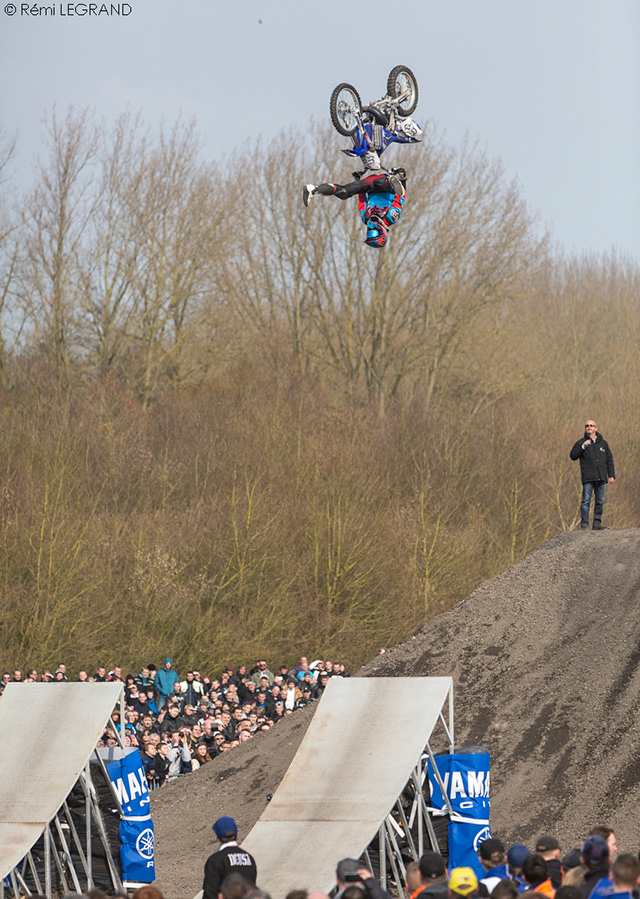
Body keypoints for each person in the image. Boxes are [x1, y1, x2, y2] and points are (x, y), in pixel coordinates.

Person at [303, 166, 407, 249]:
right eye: (373, 232)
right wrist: (403, 181)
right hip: (386, 187)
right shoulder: (390, 218)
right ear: (382, 233)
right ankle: (391, 181)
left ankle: (313, 189)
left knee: (344, 193)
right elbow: (400, 199)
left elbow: (362, 202)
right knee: (382, 183)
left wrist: (358, 183)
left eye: (369, 233)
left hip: (369, 186)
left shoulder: (365, 218)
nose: (370, 229)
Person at [570, 420, 615, 529]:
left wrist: (611, 475)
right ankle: (584, 525)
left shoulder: (603, 443)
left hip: (601, 477)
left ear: (596, 428)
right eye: (587, 426)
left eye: (591, 425)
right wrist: (583, 447)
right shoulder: (580, 442)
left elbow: (609, 459)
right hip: (588, 478)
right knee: (586, 502)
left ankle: (597, 524)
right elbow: (573, 456)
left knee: (600, 501)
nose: (589, 427)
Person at [202, 816, 257, 899]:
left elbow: (210, 894)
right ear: (237, 834)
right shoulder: (249, 858)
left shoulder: (216, 860)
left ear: (217, 836)